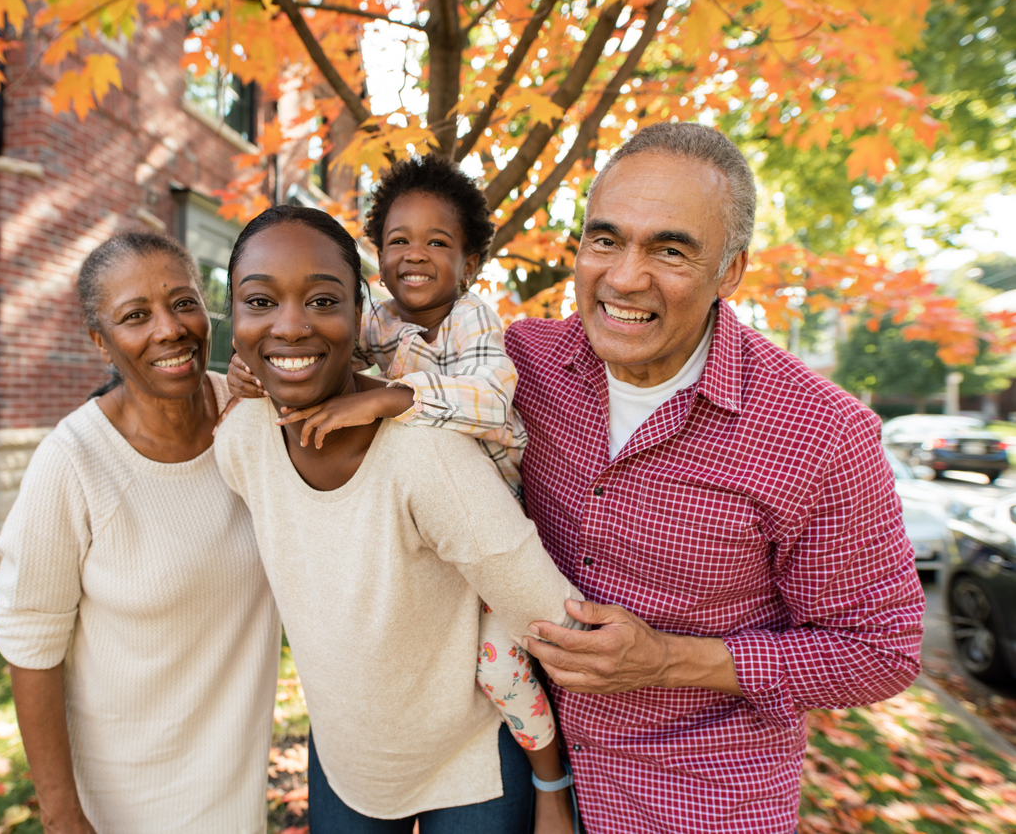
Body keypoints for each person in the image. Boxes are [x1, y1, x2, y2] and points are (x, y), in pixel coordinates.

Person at [510, 122, 926, 833]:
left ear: (729, 271)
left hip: (696, 801)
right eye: (604, 239)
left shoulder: (821, 433)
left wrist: (667, 660)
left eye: (669, 250)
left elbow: (880, 650)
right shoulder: (522, 362)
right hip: (521, 777)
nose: (623, 276)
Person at [227, 156, 578, 833]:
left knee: (501, 668)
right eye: (397, 242)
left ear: (470, 262)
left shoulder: (474, 321)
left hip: (490, 492)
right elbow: (303, 342)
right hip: (353, 758)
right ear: (377, 263)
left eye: (438, 243)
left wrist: (390, 399)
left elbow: (490, 397)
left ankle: (548, 776)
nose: (415, 255)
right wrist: (250, 371)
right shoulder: (376, 324)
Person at [0, 232, 280, 834]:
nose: (169, 329)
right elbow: (29, 642)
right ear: (101, 343)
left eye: (183, 303)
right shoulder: (73, 462)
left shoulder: (254, 416)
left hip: (236, 793)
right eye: (134, 316)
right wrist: (61, 814)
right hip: (125, 800)